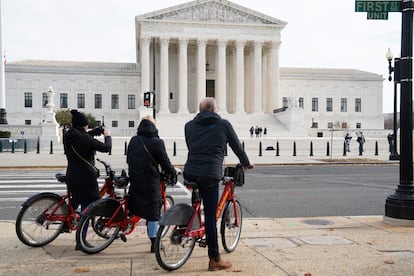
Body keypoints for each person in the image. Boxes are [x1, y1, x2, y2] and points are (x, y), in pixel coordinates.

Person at [183, 97, 254, 271]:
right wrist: (245, 162)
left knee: (197, 202)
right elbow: (236, 146)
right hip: (209, 174)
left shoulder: (189, 126)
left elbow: (191, 146)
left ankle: (191, 226)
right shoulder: (223, 124)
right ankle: (214, 259)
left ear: (200, 110)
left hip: (190, 171)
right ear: (214, 110)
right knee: (210, 216)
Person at [63, 109, 112, 249]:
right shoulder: (84, 138)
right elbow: (106, 147)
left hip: (71, 175)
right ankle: (81, 241)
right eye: (86, 125)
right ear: (82, 126)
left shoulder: (69, 135)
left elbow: (84, 136)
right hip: (86, 178)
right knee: (88, 209)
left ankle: (65, 221)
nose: (87, 127)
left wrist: (96, 131)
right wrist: (107, 135)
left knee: (76, 200)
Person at [127, 115, 176, 253]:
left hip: (135, 179)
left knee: (136, 204)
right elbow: (165, 163)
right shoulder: (156, 142)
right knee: (154, 210)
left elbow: (128, 159)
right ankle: (154, 241)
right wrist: (172, 172)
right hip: (150, 181)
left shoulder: (134, 140)